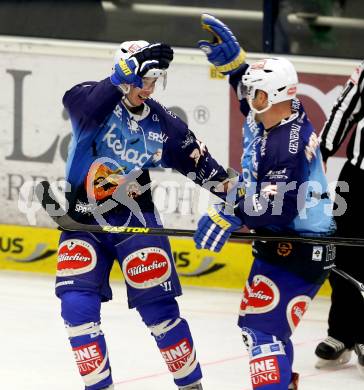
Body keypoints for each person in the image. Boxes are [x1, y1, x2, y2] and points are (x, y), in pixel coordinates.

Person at [55, 39, 231, 390]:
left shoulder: (163, 124)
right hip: (82, 221)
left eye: (156, 81)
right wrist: (120, 77)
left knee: (159, 309)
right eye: (144, 79)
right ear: (125, 73)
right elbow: (84, 107)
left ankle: (191, 385)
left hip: (134, 219)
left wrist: (239, 199)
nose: (149, 89)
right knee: (76, 308)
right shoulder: (88, 97)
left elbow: (208, 171)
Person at [194, 14, 336, 390]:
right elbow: (255, 101)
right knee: (257, 329)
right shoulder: (275, 114)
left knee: (262, 332)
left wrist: (229, 212)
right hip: (281, 244)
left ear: (271, 95)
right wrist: (236, 67)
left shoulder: (283, 150)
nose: (246, 96)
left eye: (252, 91)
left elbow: (277, 210)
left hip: (300, 247)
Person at [314, 61, 364, 375]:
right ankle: (342, 334)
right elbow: (345, 107)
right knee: (342, 253)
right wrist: (321, 154)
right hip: (358, 176)